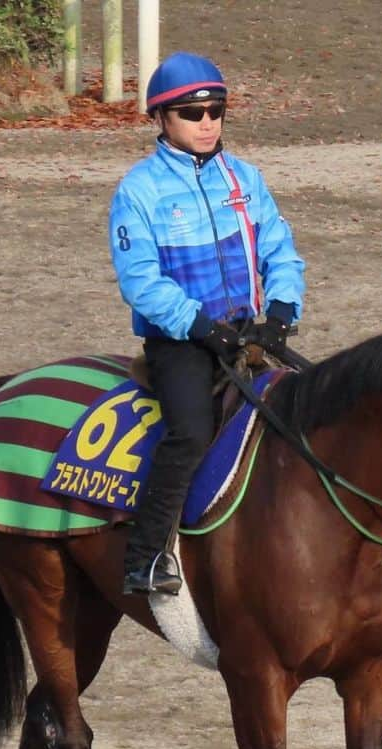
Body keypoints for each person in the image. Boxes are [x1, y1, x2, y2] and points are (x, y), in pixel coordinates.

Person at [109, 51, 306, 595]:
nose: (208, 123)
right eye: (193, 113)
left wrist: (282, 314)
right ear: (160, 119)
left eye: (217, 111)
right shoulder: (139, 191)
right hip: (180, 343)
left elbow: (281, 252)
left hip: (246, 331)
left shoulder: (245, 179)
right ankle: (144, 558)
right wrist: (199, 326)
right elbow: (141, 282)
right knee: (192, 432)